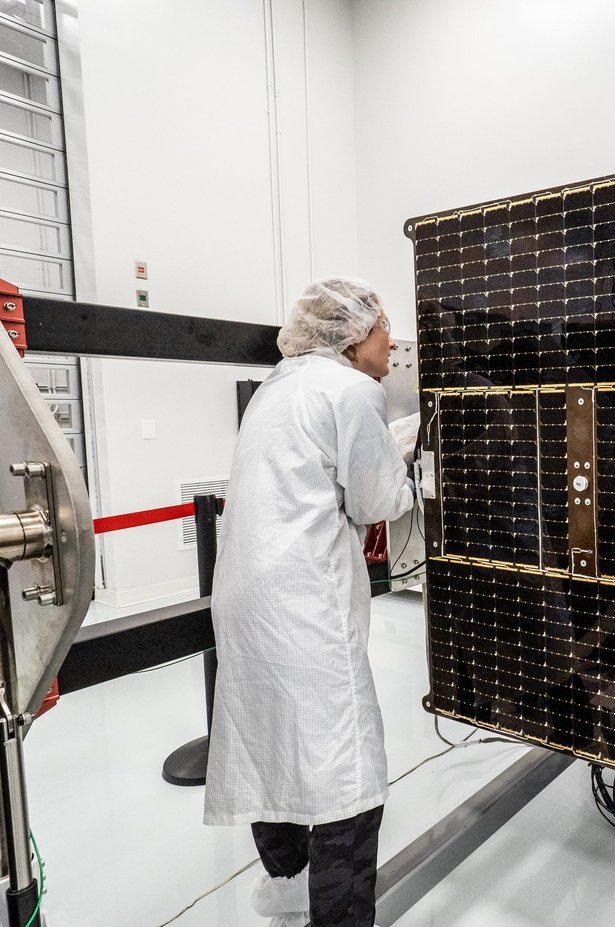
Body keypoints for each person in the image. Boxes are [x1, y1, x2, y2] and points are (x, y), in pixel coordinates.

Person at [204, 277, 419, 927]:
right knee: (348, 774)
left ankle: (286, 886)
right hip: (303, 605)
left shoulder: (278, 386)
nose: (393, 341)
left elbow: (316, 465)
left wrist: (391, 443)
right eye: (385, 327)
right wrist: (417, 467)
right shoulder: (356, 390)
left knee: (273, 739)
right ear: (355, 334)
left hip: (245, 596)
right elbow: (376, 501)